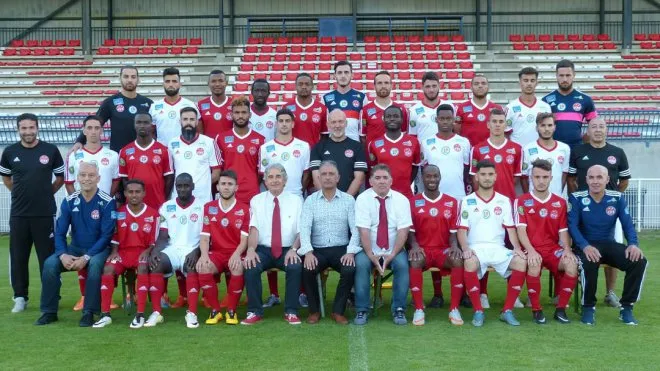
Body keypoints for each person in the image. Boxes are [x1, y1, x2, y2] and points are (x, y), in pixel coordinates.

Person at [35, 162, 115, 326]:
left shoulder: (107, 201)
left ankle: (89, 312)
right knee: (50, 264)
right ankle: (49, 312)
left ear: (98, 178)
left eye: (91, 175)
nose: (87, 179)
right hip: (75, 248)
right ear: (77, 178)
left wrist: (86, 257)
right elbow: (59, 233)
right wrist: (63, 254)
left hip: (98, 250)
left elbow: (106, 236)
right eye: (83, 175)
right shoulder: (69, 201)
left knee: (94, 266)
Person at [1, 113, 65, 313]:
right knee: (18, 257)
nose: (28, 132)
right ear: (18, 129)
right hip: (19, 214)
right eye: (24, 128)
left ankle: (51, 295)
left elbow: (60, 178)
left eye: (31, 127)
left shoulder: (51, 150)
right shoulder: (10, 152)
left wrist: (46, 193)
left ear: (37, 128)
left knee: (48, 259)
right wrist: (20, 195)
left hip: (45, 214)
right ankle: (20, 297)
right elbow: (7, 179)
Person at [568, 165, 647, 325]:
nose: (595, 181)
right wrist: (584, 246)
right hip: (585, 245)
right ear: (586, 179)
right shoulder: (576, 198)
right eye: (591, 177)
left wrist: (633, 243)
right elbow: (572, 226)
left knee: (639, 261)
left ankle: (627, 308)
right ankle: (588, 307)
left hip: (608, 244)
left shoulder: (616, 197)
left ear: (607, 179)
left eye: (599, 177)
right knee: (589, 261)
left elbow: (627, 224)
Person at [568, 118, 631, 307]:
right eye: (593, 127)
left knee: (612, 248)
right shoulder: (578, 151)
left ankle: (610, 292)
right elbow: (571, 180)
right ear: (588, 130)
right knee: (580, 249)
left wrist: (611, 200)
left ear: (606, 130)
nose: (597, 130)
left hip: (610, 212)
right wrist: (579, 201)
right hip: (583, 209)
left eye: (601, 127)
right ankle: (582, 291)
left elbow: (624, 181)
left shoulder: (617, 153)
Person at [458, 160, 527, 327]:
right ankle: (478, 311)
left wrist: (517, 248)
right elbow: (461, 230)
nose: (487, 178)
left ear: (495, 176)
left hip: (497, 248)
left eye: (490, 174)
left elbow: (511, 229)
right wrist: (466, 248)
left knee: (520, 262)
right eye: (483, 174)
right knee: (469, 262)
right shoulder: (467, 200)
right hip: (475, 247)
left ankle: (507, 310)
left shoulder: (503, 200)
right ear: (476, 177)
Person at [65, 116, 120, 311]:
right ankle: (84, 296)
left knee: (104, 254)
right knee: (82, 249)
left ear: (102, 131)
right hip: (82, 212)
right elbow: (69, 183)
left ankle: (108, 296)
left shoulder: (112, 155)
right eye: (90, 127)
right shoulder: (74, 155)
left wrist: (105, 202)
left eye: (98, 127)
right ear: (84, 130)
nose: (94, 131)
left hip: (105, 212)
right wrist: (79, 205)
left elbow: (115, 181)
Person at [514, 159, 578, 324]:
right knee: (534, 263)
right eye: (537, 177)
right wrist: (531, 250)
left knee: (571, 263)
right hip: (531, 247)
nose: (541, 181)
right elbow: (521, 230)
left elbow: (563, 232)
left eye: (545, 177)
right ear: (531, 177)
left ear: (551, 178)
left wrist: (567, 250)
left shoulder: (560, 202)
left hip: (552, 249)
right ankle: (536, 310)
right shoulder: (521, 201)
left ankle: (561, 309)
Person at [242, 164, 304, 325]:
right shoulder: (256, 200)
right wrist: (250, 250)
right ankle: (254, 311)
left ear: (285, 180)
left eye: (278, 177)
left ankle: (291, 311)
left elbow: (301, 231)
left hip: (288, 249)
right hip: (263, 249)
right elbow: (254, 229)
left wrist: (294, 249)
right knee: (250, 265)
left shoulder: (296, 200)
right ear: (265, 181)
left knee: (295, 266)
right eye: (270, 177)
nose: (274, 180)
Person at [299, 161, 359, 325]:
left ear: (338, 177)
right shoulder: (310, 201)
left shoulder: (348, 200)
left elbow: (356, 229)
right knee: (307, 268)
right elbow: (304, 228)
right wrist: (308, 252)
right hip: (318, 249)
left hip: (342, 248)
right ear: (318, 177)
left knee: (350, 269)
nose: (327, 177)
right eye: (324, 174)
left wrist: (351, 252)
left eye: (331, 174)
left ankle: (338, 311)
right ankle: (314, 310)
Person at [93, 179, 159, 328]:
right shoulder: (119, 213)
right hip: (123, 253)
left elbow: (154, 242)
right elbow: (115, 237)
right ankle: (105, 314)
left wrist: (148, 251)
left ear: (144, 193)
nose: (134, 195)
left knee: (142, 268)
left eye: (137, 192)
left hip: (142, 252)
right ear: (125, 194)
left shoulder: (153, 214)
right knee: (108, 269)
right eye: (130, 192)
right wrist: (114, 252)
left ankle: (140, 314)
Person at [354, 164, 412, 325]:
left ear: (391, 181)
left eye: (385, 178)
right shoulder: (362, 199)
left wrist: (392, 254)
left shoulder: (401, 200)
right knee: (361, 264)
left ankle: (399, 309)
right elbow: (363, 230)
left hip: (394, 248)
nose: (381, 181)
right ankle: (361, 310)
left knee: (401, 265)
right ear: (370, 181)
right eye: (377, 178)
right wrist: (372, 255)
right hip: (368, 249)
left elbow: (403, 231)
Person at [408, 165, 465, 326]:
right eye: (428, 176)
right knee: (415, 261)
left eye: (435, 176)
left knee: (457, 260)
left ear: (440, 178)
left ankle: (454, 308)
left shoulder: (451, 202)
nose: (432, 180)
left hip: (442, 249)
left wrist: (454, 246)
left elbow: (453, 231)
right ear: (422, 178)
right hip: (423, 248)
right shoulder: (413, 201)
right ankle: (419, 309)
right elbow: (410, 231)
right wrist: (414, 246)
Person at [147, 173, 205, 328]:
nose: (183, 189)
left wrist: (197, 251)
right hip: (172, 249)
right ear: (175, 187)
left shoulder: (203, 207)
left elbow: (207, 237)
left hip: (192, 248)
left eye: (186, 186)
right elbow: (163, 235)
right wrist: (156, 252)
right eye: (179, 186)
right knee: (156, 263)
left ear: (192, 186)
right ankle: (156, 312)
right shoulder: (167, 207)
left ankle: (192, 313)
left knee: (192, 265)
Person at [197, 170, 249, 325]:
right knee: (203, 267)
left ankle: (231, 311)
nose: (226, 187)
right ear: (217, 187)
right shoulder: (208, 207)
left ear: (236, 188)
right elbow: (205, 237)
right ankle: (216, 310)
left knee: (238, 267)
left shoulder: (244, 209)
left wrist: (236, 254)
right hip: (217, 253)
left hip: (236, 251)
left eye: (230, 184)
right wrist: (204, 255)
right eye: (223, 184)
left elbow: (244, 239)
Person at [75, 65, 153, 152]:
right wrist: (80, 141)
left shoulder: (148, 103)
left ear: (138, 79)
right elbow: (95, 122)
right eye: (126, 76)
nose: (130, 80)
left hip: (144, 153)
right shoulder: (110, 102)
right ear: (120, 78)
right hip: (119, 154)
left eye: (133, 77)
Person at [118, 113, 174, 210]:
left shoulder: (164, 150)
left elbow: (169, 178)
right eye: (139, 122)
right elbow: (124, 179)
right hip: (134, 205)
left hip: (158, 203)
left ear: (152, 125)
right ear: (134, 125)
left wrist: (163, 197)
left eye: (146, 122)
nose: (142, 125)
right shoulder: (124, 151)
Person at [217, 95, 265, 205]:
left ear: (250, 114)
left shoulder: (260, 139)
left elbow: (261, 172)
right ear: (231, 114)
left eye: (244, 112)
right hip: (229, 192)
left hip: (251, 192)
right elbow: (219, 169)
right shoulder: (221, 138)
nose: (240, 116)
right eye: (237, 112)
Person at [168, 107, 221, 204]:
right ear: (180, 121)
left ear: (197, 122)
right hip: (179, 197)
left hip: (203, 198)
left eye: (192, 119)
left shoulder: (209, 142)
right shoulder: (172, 144)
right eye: (185, 119)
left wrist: (202, 185)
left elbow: (216, 172)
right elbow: (170, 174)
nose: (188, 122)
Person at [367, 105, 421, 199]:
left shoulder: (413, 142)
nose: (392, 119)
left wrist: (405, 184)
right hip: (382, 195)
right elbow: (373, 170)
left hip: (405, 195)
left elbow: (415, 168)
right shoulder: (374, 144)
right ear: (384, 119)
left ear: (402, 119)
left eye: (396, 116)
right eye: (388, 116)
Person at [470, 108, 523, 202]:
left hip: (508, 200)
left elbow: (515, 178)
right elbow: (475, 179)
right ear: (488, 124)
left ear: (506, 125)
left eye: (501, 121)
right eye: (494, 121)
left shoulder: (517, 149)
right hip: (485, 201)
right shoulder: (477, 149)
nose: (497, 124)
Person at [310, 109, 367, 196]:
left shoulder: (357, 147)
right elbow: (316, 178)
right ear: (328, 124)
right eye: (333, 122)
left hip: (349, 200)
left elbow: (359, 179)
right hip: (325, 201)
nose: (337, 125)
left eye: (341, 121)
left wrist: (345, 200)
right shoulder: (318, 147)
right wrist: (327, 199)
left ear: (346, 123)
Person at [420, 104, 471, 201]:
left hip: (458, 194)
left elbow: (466, 170)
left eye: (448, 118)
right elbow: (423, 170)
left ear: (454, 119)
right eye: (442, 119)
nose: (445, 122)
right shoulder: (426, 143)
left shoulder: (464, 142)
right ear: (436, 119)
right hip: (434, 196)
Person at [542, 59, 598, 148]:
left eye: (568, 75)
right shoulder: (546, 100)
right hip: (554, 150)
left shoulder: (586, 99)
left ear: (574, 75)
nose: (565, 79)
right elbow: (541, 127)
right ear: (556, 76)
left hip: (577, 149)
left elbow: (595, 125)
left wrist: (584, 141)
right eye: (561, 75)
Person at [259, 108, 311, 197]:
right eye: (281, 121)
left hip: (296, 196)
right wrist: (274, 192)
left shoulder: (304, 146)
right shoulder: (265, 148)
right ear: (276, 124)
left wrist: (299, 191)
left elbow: (307, 174)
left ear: (293, 124)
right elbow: (264, 176)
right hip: (274, 197)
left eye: (287, 121)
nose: (284, 124)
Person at [521, 113, 570, 196]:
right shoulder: (527, 149)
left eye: (550, 125)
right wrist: (529, 196)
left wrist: (557, 193)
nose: (546, 129)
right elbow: (524, 177)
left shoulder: (564, 148)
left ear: (554, 127)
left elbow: (564, 174)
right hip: (534, 201)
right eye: (543, 125)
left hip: (556, 200)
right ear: (537, 128)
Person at [150, 67, 199, 147]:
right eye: (167, 81)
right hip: (163, 153)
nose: (171, 84)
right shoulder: (154, 107)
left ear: (180, 84)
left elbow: (198, 130)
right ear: (163, 84)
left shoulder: (190, 105)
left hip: (184, 151)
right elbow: (151, 132)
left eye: (174, 81)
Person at [505, 67, 552, 147]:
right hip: (518, 154)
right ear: (520, 82)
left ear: (537, 83)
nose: (529, 83)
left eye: (532, 80)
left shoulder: (545, 107)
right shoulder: (510, 108)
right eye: (526, 80)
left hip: (539, 154)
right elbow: (505, 134)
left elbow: (550, 132)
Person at [322, 61, 367, 142]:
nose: (343, 76)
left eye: (346, 72)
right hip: (333, 145)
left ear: (352, 75)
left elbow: (364, 127)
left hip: (355, 145)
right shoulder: (325, 98)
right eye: (339, 73)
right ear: (334, 76)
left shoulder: (362, 97)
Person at [361, 70, 409, 145]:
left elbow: (404, 135)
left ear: (391, 85)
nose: (383, 86)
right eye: (379, 83)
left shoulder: (401, 109)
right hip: (373, 156)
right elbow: (363, 137)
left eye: (386, 83)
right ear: (374, 86)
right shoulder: (365, 110)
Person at [455, 74, 503, 147]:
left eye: (483, 83)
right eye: (476, 84)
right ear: (471, 87)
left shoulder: (497, 108)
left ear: (488, 87)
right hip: (468, 151)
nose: (480, 86)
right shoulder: (461, 108)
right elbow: (456, 132)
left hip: (491, 152)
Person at [284, 73, 328, 148]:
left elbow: (325, 135)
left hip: (313, 153)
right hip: (292, 153)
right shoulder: (286, 108)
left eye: (307, 84)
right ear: (296, 86)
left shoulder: (322, 109)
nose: (304, 87)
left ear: (312, 87)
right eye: (300, 84)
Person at [408, 72, 453, 144]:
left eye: (434, 86)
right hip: (424, 154)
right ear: (422, 87)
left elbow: (455, 132)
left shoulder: (450, 107)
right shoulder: (414, 110)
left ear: (439, 86)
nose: (431, 90)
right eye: (428, 86)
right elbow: (412, 137)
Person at [197, 69, 233, 140]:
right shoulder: (200, 105)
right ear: (208, 83)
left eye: (221, 81)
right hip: (209, 148)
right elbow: (200, 132)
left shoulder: (234, 104)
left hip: (229, 149)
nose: (217, 84)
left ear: (226, 83)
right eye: (213, 81)